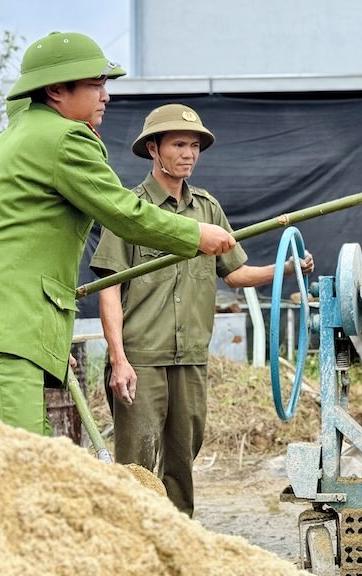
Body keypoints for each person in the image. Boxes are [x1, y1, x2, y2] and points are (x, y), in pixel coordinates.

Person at [0, 33, 236, 436]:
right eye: (95, 84)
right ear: (55, 90)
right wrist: (194, 234)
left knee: (16, 459)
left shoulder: (3, 144)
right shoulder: (66, 137)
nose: (106, 96)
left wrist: (38, 339)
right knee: (13, 466)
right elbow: (124, 213)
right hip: (1, 339)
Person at [89, 103, 313, 516]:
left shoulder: (207, 209)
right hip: (141, 358)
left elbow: (236, 273)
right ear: (153, 149)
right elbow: (108, 289)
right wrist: (119, 360)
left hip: (191, 357)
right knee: (137, 463)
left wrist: (284, 268)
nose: (188, 154)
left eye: (194, 146)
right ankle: (131, 538)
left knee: (183, 459)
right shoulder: (131, 209)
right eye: (178, 144)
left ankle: (178, 535)